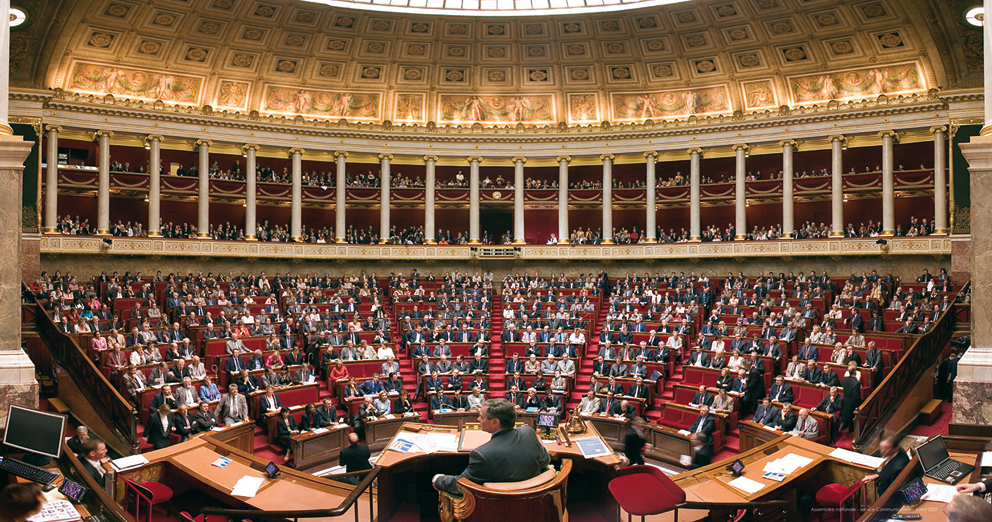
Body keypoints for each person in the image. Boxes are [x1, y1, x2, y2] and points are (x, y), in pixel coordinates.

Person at [432, 398, 551, 496]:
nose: (478, 419)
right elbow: (545, 461)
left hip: (499, 507)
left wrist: (438, 479)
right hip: (536, 500)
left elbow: (462, 485)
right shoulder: (528, 432)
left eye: (482, 417)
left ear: (495, 422)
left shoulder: (482, 454)